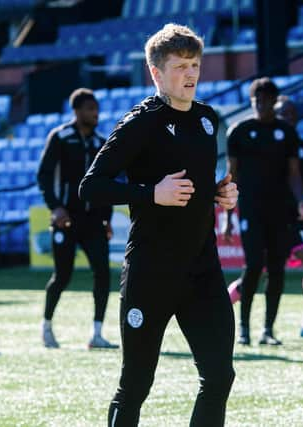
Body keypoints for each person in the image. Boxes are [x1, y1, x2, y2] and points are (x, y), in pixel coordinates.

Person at [80, 24, 239, 426]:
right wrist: (151, 192)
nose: (191, 74)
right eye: (180, 66)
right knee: (135, 384)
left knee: (220, 376)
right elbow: (91, 188)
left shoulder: (207, 119)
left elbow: (199, 183)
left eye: (196, 65)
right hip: (151, 272)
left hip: (202, 270)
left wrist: (221, 193)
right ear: (156, 73)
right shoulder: (141, 122)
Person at [227, 95, 303, 338]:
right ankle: (224, 309)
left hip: (293, 218)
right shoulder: (262, 140)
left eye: (292, 113)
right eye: (282, 113)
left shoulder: (299, 146)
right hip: (267, 213)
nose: (287, 117)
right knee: (257, 269)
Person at [224, 78, 303, 346]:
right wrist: (228, 216)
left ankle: (268, 330)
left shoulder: (287, 133)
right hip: (250, 210)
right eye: (256, 100)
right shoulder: (238, 132)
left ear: (275, 101)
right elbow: (232, 175)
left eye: (266, 100)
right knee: (253, 266)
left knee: (276, 268)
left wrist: (300, 201)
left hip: (281, 211)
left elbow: (295, 174)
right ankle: (244, 329)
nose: (261, 105)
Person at [37, 88, 116, 349]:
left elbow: (106, 183)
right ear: (77, 111)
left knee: (103, 274)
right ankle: (46, 327)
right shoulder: (60, 138)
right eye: (90, 109)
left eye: (96, 109)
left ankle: (97, 334)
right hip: (65, 219)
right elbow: (44, 177)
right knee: (62, 275)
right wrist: (55, 208)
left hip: (93, 220)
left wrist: (106, 219)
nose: (95, 114)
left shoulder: (101, 143)